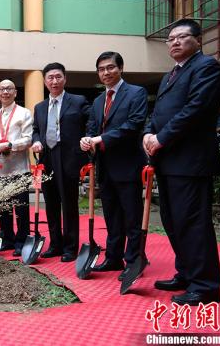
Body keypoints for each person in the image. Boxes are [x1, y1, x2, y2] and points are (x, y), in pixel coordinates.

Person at [143, 19, 220, 306]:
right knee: (173, 221)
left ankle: (205, 286)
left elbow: (195, 110)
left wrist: (161, 137)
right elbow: (159, 111)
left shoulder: (206, 67)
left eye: (182, 37)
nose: (174, 42)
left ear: (198, 40)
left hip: (191, 161)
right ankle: (186, 273)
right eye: (170, 39)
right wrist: (149, 133)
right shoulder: (170, 75)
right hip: (168, 161)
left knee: (193, 223)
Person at [80, 51, 148, 280]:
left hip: (128, 164)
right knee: (111, 215)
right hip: (105, 166)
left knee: (132, 216)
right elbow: (92, 126)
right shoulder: (99, 100)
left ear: (120, 68)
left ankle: (135, 260)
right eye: (101, 69)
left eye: (110, 67)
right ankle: (113, 257)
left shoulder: (136, 93)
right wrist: (87, 139)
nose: (106, 73)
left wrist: (102, 139)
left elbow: (134, 124)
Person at [31, 63, 90, 262]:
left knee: (69, 204)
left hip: (69, 158)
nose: (54, 81)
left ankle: (70, 247)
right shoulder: (39, 107)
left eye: (58, 77)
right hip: (46, 158)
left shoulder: (78, 101)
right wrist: (36, 141)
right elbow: (36, 130)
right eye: (50, 78)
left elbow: (90, 125)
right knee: (51, 203)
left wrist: (88, 141)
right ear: (45, 81)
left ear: (65, 79)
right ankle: (55, 244)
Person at [0, 79, 32, 256]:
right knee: (3, 207)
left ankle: (21, 240)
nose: (5, 92)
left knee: (20, 207)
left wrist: (9, 145)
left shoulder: (24, 113)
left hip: (19, 167)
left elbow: (28, 139)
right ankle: (7, 239)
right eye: (2, 89)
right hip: (0, 168)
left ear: (15, 92)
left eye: (9, 89)